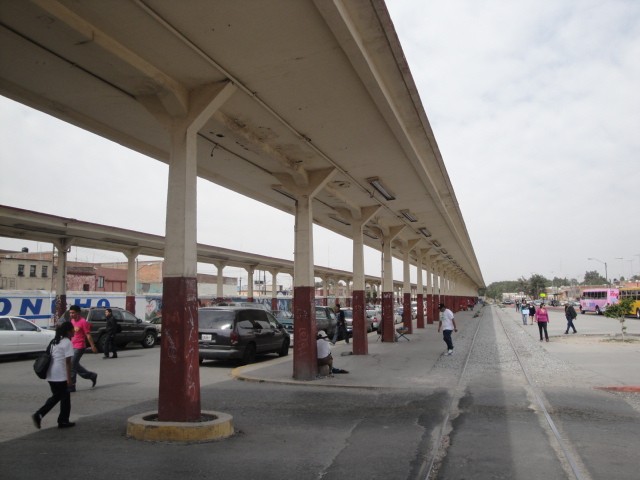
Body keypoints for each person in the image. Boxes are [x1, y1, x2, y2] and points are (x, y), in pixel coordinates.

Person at [32, 321, 76, 429]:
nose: (74, 331)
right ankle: (57, 419)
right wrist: (69, 379)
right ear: (68, 331)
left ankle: (60, 419)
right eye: (72, 329)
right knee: (63, 398)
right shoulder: (67, 342)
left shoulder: (54, 341)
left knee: (58, 396)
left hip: (50, 374)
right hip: (60, 375)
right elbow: (68, 362)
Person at [68, 305, 98, 392]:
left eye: (73, 313)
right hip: (72, 346)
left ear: (78, 312)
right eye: (70, 313)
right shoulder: (72, 321)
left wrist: (93, 346)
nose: (71, 314)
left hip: (80, 346)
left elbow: (88, 335)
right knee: (75, 365)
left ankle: (72, 385)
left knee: (72, 365)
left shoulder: (83, 322)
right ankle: (91, 375)